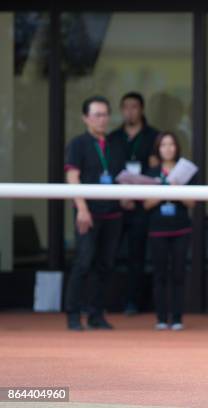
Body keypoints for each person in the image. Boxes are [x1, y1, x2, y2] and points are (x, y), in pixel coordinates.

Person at [64, 96, 127, 331]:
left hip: (112, 213)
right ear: (85, 118)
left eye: (105, 114)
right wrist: (81, 208)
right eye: (97, 115)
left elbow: (121, 177)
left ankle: (96, 313)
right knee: (83, 261)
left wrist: (126, 198)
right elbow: (72, 178)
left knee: (105, 265)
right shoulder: (78, 144)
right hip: (88, 213)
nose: (102, 119)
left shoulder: (115, 145)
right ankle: (72, 314)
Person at [109, 92, 159, 315]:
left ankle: (133, 302)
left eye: (134, 107)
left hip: (142, 205)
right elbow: (109, 169)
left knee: (137, 256)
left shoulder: (153, 136)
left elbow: (155, 170)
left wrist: (138, 194)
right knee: (108, 253)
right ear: (121, 110)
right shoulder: (113, 138)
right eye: (126, 107)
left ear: (142, 109)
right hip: (117, 205)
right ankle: (105, 302)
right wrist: (121, 195)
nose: (130, 111)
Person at [143, 132, 195, 331]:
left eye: (171, 144)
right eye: (163, 145)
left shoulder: (186, 171)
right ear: (158, 148)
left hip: (181, 228)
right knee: (160, 274)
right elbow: (146, 204)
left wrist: (177, 189)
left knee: (179, 273)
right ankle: (161, 318)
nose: (168, 148)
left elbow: (192, 202)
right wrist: (162, 190)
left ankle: (177, 318)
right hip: (158, 229)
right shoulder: (151, 172)